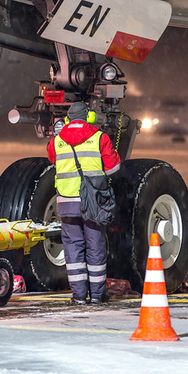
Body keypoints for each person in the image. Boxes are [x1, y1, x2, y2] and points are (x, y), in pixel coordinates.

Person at [47, 101, 121, 306]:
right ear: (88, 117)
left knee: (73, 247)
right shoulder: (100, 137)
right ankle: (97, 295)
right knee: (95, 246)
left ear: (68, 119)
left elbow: (53, 160)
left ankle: (79, 296)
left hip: (67, 202)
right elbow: (113, 168)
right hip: (93, 202)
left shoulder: (56, 141)